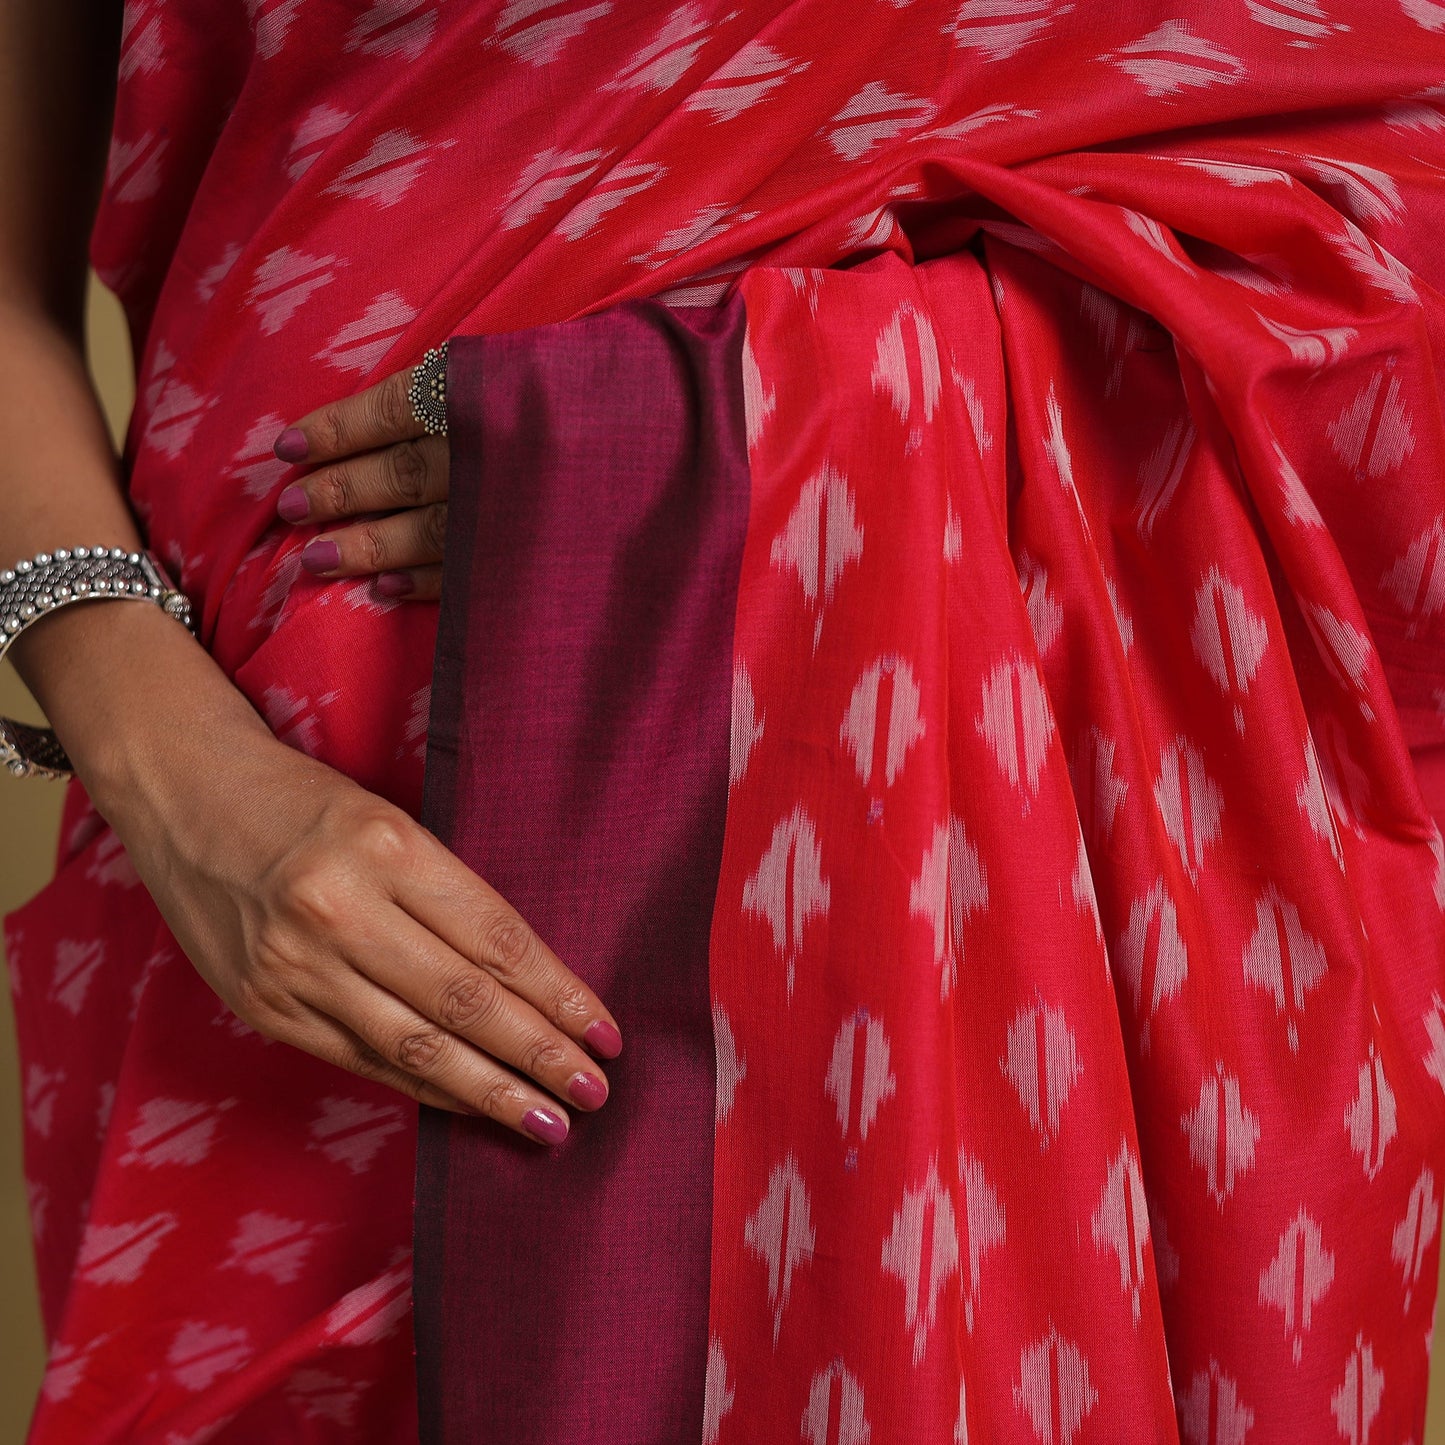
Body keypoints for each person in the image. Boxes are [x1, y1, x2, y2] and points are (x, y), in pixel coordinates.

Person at [3, 1, 1445, 1441]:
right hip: (286, 920)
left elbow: (1387, 249)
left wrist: (715, 417)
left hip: (978, 900)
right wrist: (169, 767)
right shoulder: (219, 835)